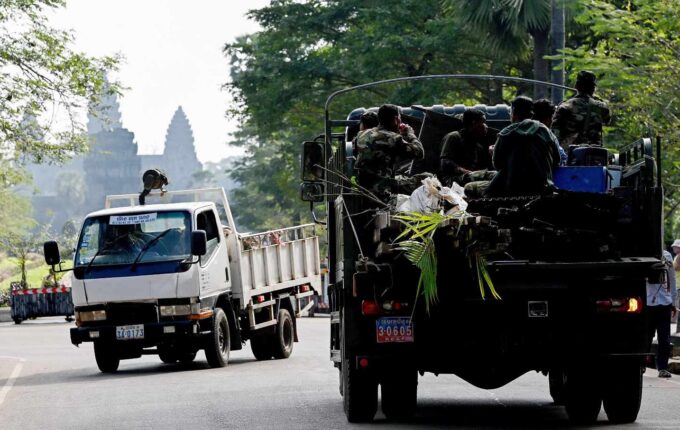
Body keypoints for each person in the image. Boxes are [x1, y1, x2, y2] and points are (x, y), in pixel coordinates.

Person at [485, 96, 561, 197]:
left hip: (512, 191)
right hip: (543, 189)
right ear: (531, 113)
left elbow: (498, 165)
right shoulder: (545, 131)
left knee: (470, 187)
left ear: (513, 112)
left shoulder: (505, 133)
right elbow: (557, 160)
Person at [354, 104, 424, 199]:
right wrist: (410, 134)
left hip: (363, 187)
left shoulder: (361, 134)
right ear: (396, 119)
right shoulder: (394, 139)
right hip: (383, 189)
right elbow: (419, 153)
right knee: (426, 177)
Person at [552, 70, 611, 150]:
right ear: (593, 88)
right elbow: (607, 121)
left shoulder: (565, 106)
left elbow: (554, 133)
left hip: (571, 154)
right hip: (594, 154)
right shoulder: (602, 107)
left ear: (576, 86)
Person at [439, 108, 498, 186]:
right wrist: (468, 172)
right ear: (474, 123)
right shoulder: (454, 137)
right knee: (492, 175)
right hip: (453, 181)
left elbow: (483, 168)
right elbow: (445, 163)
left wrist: (493, 153)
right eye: (483, 122)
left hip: (470, 179)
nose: (485, 126)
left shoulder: (477, 145)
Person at [646, 249, 678, 378]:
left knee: (664, 338)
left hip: (664, 302)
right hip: (647, 302)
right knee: (647, 336)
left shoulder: (667, 255)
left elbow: (672, 278)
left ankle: (663, 367)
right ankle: (642, 364)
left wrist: (673, 301)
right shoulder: (642, 255)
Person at [533, 99, 567, 165]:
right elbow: (561, 159)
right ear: (548, 120)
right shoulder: (549, 136)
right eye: (552, 118)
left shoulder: (520, 133)